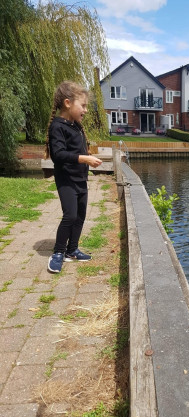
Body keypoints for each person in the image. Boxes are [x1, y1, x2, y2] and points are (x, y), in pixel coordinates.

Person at [45, 81, 102, 273]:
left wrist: (86, 163)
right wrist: (84, 159)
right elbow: (58, 155)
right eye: (83, 106)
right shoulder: (57, 127)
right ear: (68, 103)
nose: (85, 110)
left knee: (80, 215)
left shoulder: (75, 125)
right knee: (69, 215)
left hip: (80, 180)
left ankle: (72, 250)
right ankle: (58, 253)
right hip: (66, 180)